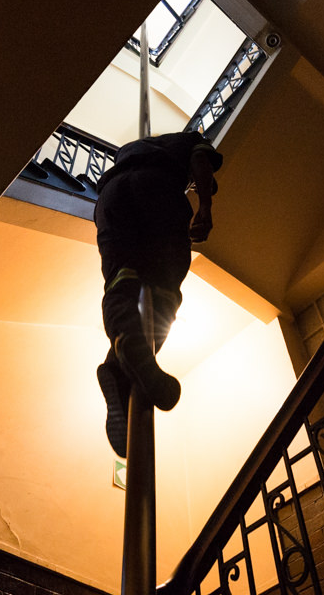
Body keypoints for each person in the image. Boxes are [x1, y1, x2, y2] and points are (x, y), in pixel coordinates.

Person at [94, 130, 222, 457]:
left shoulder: (129, 149)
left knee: (121, 276)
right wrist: (204, 207)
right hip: (157, 187)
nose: (194, 186)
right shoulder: (189, 139)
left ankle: (122, 354)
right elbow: (200, 159)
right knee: (164, 281)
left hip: (110, 197)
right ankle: (125, 360)